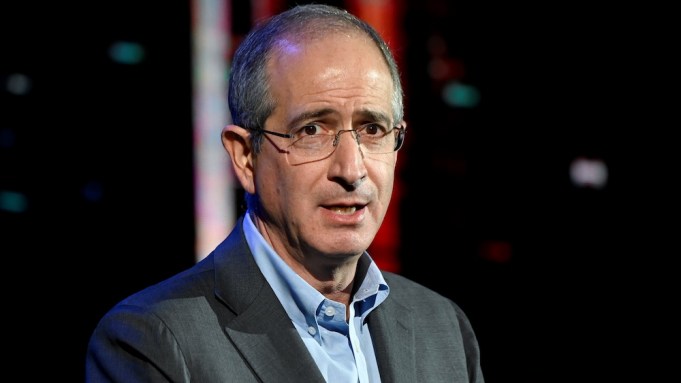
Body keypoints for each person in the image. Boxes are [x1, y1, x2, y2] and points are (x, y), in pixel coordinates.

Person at [85, 3, 484, 382]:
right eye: (312, 130)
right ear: (245, 158)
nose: (351, 170)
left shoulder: (443, 327)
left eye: (372, 129)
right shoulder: (151, 340)